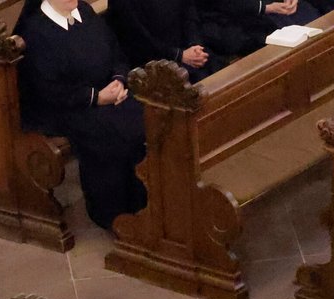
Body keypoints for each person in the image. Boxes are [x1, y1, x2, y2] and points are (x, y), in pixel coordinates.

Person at [16, 0, 148, 230]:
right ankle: (111, 214)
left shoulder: (85, 12)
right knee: (111, 132)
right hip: (64, 110)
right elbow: (48, 90)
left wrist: (118, 80)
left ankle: (144, 205)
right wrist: (96, 97)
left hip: (106, 95)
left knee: (146, 117)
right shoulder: (35, 31)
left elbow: (116, 52)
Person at [106, 0, 222, 79]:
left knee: (218, 72)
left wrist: (195, 44)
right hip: (154, 65)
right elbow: (140, 41)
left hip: (187, 49)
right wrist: (180, 55)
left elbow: (189, 10)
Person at [198, 0, 314, 61]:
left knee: (311, 20)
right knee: (274, 42)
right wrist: (265, 7)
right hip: (224, 19)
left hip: (267, 8)